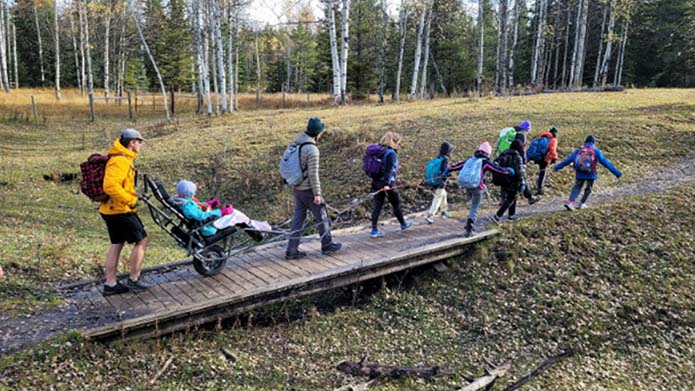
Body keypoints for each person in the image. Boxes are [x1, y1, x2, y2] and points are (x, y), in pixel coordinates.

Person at [100, 128, 151, 296]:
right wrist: (130, 200)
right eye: (139, 141)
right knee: (142, 240)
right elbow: (110, 186)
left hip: (112, 209)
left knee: (117, 243)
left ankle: (111, 283)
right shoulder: (120, 161)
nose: (141, 145)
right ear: (132, 143)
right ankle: (134, 279)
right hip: (120, 210)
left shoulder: (121, 158)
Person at [286, 118, 342, 260]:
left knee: (298, 220)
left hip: (297, 188)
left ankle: (291, 250)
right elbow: (313, 174)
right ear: (318, 133)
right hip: (308, 190)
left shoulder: (296, 143)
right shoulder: (312, 150)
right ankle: (327, 244)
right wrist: (317, 194)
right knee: (322, 216)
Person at [170, 180, 272, 239]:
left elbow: (198, 209)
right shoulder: (187, 205)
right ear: (189, 193)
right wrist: (221, 212)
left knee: (237, 216)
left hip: (208, 223)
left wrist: (209, 204)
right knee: (236, 214)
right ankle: (259, 230)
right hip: (208, 227)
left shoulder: (182, 200)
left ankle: (258, 227)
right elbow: (200, 216)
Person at [451, 142, 514, 237]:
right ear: (488, 153)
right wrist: (508, 171)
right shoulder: (485, 162)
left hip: (467, 184)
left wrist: (448, 170)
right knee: (474, 206)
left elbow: (457, 166)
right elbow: (497, 169)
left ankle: (469, 225)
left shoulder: (470, 160)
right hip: (477, 186)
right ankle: (469, 228)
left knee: (473, 202)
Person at [554, 135, 622, 210]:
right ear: (594, 142)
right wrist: (617, 173)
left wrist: (557, 167)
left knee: (577, 187)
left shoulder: (579, 150)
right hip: (590, 173)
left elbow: (568, 160)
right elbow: (606, 163)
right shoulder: (596, 151)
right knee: (588, 189)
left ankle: (570, 202)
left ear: (585, 142)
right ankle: (582, 203)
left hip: (579, 172)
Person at [370, 132, 413, 237]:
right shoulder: (391, 153)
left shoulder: (378, 152)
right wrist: (386, 184)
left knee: (377, 206)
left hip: (376, 182)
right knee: (396, 203)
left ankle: (374, 230)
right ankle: (403, 224)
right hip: (388, 184)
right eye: (398, 142)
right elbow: (389, 170)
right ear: (394, 142)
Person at [491, 139, 526, 223]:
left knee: (512, 197)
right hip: (513, 181)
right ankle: (498, 215)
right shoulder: (517, 157)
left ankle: (511, 215)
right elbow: (519, 172)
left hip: (503, 179)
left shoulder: (503, 154)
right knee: (511, 198)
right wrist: (522, 182)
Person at [424, 142, 455, 224]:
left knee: (443, 194)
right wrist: (449, 174)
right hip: (440, 181)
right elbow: (444, 171)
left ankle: (444, 211)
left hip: (432, 180)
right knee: (438, 197)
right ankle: (430, 215)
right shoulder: (445, 159)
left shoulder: (438, 157)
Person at [533, 127, 559, 195]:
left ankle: (538, 187)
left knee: (541, 172)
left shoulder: (542, 138)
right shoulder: (553, 140)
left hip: (539, 157)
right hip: (545, 158)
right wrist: (554, 158)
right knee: (543, 173)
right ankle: (540, 189)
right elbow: (552, 149)